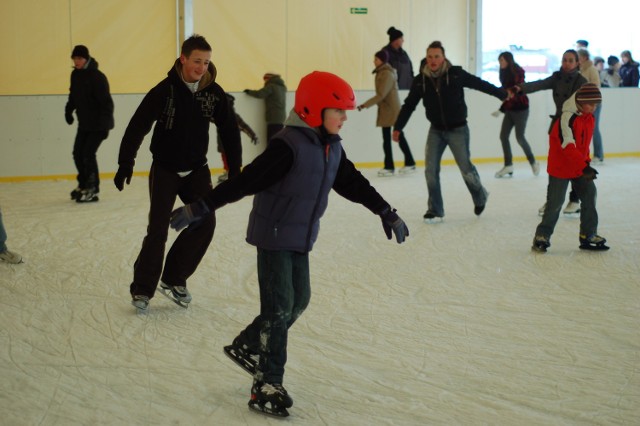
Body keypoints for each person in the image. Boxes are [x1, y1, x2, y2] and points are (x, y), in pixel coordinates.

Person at [169, 71, 409, 417]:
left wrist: (386, 212)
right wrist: (200, 207)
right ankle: (267, 382)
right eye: (338, 111)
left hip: (300, 237)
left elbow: (354, 184)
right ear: (314, 110)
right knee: (280, 308)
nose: (344, 118)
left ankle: (249, 344)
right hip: (274, 236)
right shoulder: (287, 146)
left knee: (299, 301)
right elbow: (245, 181)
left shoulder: (331, 148)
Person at [113, 34, 242, 313]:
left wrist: (236, 169)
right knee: (157, 229)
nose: (201, 67)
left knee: (205, 221)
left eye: (206, 62)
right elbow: (138, 125)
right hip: (165, 169)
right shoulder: (164, 90)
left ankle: (173, 278)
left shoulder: (214, 93)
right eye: (197, 61)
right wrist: (126, 161)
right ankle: (143, 289)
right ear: (183, 58)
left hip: (197, 169)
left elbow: (230, 130)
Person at [393, 41, 507, 222]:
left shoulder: (455, 74)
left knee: (466, 169)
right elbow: (409, 106)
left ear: (443, 57)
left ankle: (480, 196)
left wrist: (501, 94)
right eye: (430, 56)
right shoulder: (421, 80)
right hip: (436, 130)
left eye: (436, 56)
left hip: (458, 129)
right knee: (430, 170)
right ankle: (435, 209)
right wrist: (398, 127)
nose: (433, 60)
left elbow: (479, 84)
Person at [532, 84, 608, 253]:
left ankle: (588, 235)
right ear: (581, 102)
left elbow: (584, 145)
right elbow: (568, 146)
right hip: (561, 167)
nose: (594, 107)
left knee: (589, 196)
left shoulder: (589, 117)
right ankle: (542, 236)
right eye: (592, 104)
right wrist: (584, 166)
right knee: (555, 203)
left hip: (578, 165)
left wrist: (585, 164)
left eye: (596, 104)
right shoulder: (567, 118)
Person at [511, 49, 587, 215]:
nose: (566, 63)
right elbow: (539, 84)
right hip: (558, 125)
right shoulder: (557, 77)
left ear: (577, 63)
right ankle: (551, 202)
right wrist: (520, 88)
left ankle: (575, 200)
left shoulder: (582, 81)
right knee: (555, 166)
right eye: (564, 60)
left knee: (575, 164)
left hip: (575, 127)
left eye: (570, 60)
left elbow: (588, 107)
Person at [65, 45, 114, 203]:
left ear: (86, 58)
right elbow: (73, 96)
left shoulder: (97, 77)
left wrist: (104, 124)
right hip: (84, 124)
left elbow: (107, 103)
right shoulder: (75, 75)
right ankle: (83, 184)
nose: (76, 61)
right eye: (74, 58)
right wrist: (68, 110)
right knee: (77, 153)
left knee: (87, 154)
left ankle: (93, 188)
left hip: (99, 125)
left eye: (79, 58)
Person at [357, 50, 416, 177]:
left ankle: (403, 163)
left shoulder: (387, 74)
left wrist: (365, 105)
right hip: (387, 109)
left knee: (397, 135)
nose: (374, 61)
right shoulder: (382, 72)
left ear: (382, 60)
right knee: (389, 138)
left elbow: (381, 94)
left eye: (376, 59)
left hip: (392, 110)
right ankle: (395, 164)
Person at [494, 51, 539, 178]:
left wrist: (502, 108)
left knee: (520, 137)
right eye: (499, 61)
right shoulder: (503, 74)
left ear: (508, 60)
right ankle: (508, 165)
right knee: (503, 136)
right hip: (510, 109)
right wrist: (502, 109)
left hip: (521, 109)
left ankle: (533, 162)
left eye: (502, 60)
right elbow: (507, 94)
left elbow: (516, 90)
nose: (500, 63)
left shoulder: (517, 72)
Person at [215, 93, 258, 183]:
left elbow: (244, 126)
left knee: (231, 157)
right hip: (222, 143)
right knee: (224, 157)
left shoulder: (234, 116)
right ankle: (227, 171)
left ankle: (231, 173)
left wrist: (253, 135)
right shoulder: (219, 115)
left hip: (232, 144)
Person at [578, 49, 604, 163]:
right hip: (583, 104)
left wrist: (591, 102)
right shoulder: (579, 70)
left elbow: (596, 85)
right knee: (582, 130)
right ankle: (583, 154)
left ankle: (598, 155)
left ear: (584, 57)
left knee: (593, 129)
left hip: (593, 103)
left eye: (578, 57)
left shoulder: (591, 69)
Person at [243, 73, 287, 142]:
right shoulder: (282, 87)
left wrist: (249, 92)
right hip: (281, 118)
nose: (265, 81)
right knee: (278, 139)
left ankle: (272, 153)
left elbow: (260, 94)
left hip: (273, 117)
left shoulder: (271, 86)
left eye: (265, 79)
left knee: (271, 140)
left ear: (269, 79)